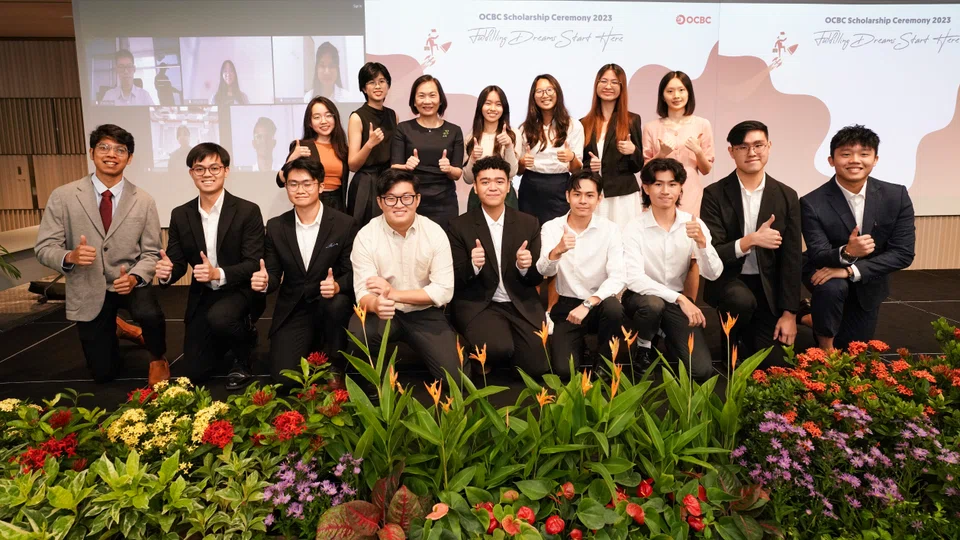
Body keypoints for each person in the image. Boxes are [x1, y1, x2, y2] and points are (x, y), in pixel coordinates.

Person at [35, 124, 167, 385]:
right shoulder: (63, 196)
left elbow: (152, 253)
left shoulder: (144, 200)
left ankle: (158, 358)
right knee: (104, 374)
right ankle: (118, 327)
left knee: (150, 314)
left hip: (128, 281)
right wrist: (69, 257)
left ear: (129, 158)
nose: (111, 154)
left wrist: (135, 277)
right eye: (104, 147)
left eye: (120, 150)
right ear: (91, 152)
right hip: (88, 284)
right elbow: (44, 247)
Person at [155, 143, 264, 389]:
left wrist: (218, 273)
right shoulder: (181, 214)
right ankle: (224, 338)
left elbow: (252, 264)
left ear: (226, 170)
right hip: (203, 295)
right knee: (195, 372)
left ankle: (244, 349)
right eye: (199, 168)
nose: (207, 174)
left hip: (240, 290)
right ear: (191, 174)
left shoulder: (247, 210)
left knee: (221, 317)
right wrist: (166, 273)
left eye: (214, 167)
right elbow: (177, 263)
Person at [800, 125, 915, 350]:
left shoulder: (896, 196)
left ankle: (806, 315)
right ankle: (825, 347)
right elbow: (818, 252)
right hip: (823, 271)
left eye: (864, 154)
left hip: (869, 280)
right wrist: (847, 252)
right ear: (831, 160)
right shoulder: (811, 202)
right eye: (845, 154)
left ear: (875, 159)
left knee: (853, 347)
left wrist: (849, 269)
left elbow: (903, 254)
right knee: (833, 288)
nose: (855, 160)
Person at [700, 121, 801, 367]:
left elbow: (792, 259)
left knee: (776, 365)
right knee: (740, 302)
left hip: (768, 286)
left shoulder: (787, 195)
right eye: (743, 147)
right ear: (731, 151)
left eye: (758, 145)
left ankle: (752, 333)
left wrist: (790, 314)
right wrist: (750, 241)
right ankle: (731, 341)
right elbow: (713, 252)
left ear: (769, 146)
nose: (752, 152)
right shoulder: (714, 193)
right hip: (730, 281)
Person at [252, 158, 357, 388]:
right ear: (286, 187)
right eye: (293, 184)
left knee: (337, 304)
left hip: (329, 304)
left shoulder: (344, 224)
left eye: (307, 183)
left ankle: (335, 364)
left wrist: (338, 286)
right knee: (283, 380)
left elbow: (354, 273)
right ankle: (310, 344)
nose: (300, 190)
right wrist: (264, 281)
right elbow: (272, 274)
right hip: (294, 307)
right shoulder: (277, 226)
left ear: (321, 186)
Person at [348, 169, 461, 380]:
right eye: (390, 198)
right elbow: (362, 293)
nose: (399, 204)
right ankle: (373, 391)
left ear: (417, 200)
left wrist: (393, 293)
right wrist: (375, 305)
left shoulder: (435, 233)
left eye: (406, 197)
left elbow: (444, 291)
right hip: (383, 312)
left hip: (424, 311)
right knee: (360, 335)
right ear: (380, 202)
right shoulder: (366, 236)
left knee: (455, 379)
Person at [622, 158, 723, 381]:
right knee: (653, 304)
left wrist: (702, 245)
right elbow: (634, 278)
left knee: (701, 371)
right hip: (641, 298)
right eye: (658, 184)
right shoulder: (634, 228)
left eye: (672, 184)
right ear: (646, 188)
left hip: (675, 302)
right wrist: (680, 299)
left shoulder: (693, 223)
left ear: (680, 189)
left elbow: (713, 273)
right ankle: (643, 347)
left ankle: (664, 332)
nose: (665, 191)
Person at [448, 156, 548, 376]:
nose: (492, 187)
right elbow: (453, 279)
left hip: (519, 302)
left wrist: (526, 267)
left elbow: (535, 279)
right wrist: (473, 266)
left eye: (499, 181)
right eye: (485, 182)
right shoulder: (458, 226)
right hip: (480, 303)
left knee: (538, 366)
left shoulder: (528, 222)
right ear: (475, 187)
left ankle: (505, 351)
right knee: (497, 348)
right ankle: (482, 351)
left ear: (509, 186)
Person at [536, 171, 624, 377]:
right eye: (577, 194)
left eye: (589, 195)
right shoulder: (551, 227)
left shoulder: (610, 230)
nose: (583, 201)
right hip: (566, 305)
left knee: (614, 308)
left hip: (599, 302)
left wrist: (589, 303)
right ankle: (579, 346)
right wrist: (556, 251)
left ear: (599, 198)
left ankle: (604, 362)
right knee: (563, 371)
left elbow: (618, 276)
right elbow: (543, 270)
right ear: (567, 196)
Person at [390, 75, 464, 230]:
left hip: (445, 203)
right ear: (414, 101)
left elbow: (457, 173)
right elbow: (394, 166)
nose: (427, 101)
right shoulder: (403, 129)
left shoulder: (454, 130)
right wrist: (406, 166)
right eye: (421, 96)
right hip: (411, 201)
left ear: (441, 99)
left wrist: (449, 169)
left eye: (432, 95)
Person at [581, 64, 644, 229]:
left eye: (615, 82)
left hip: (622, 196)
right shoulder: (584, 123)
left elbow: (638, 166)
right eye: (603, 81)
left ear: (622, 87)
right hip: (594, 193)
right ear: (596, 85)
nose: (608, 86)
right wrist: (590, 166)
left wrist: (633, 151)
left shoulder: (632, 120)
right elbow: (580, 162)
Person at [642, 71, 714, 216]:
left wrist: (698, 151)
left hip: (690, 191)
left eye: (681, 90)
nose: (676, 96)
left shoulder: (702, 124)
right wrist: (661, 154)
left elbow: (706, 170)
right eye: (670, 91)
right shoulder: (651, 127)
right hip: (660, 192)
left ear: (689, 93)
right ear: (662, 96)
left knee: (688, 233)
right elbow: (645, 171)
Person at [517, 74, 584, 227]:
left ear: (557, 93)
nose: (545, 95)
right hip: (530, 186)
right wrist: (522, 162)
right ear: (533, 96)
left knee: (558, 233)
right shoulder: (525, 128)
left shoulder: (573, 125)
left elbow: (577, 169)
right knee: (529, 232)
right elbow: (519, 171)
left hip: (559, 185)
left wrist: (571, 157)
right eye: (539, 91)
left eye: (549, 90)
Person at [277, 97, 350, 212]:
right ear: (310, 123)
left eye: (328, 115)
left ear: (335, 118)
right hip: (311, 203)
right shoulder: (301, 146)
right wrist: (291, 158)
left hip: (338, 204)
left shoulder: (343, 149)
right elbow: (280, 181)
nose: (324, 121)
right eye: (317, 117)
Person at [347, 62, 397, 227]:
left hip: (388, 182)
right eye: (371, 82)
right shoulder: (357, 117)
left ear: (388, 85)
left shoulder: (392, 115)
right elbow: (353, 165)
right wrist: (369, 144)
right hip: (366, 184)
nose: (378, 86)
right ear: (363, 88)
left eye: (382, 81)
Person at [462, 86, 520, 210]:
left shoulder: (513, 134)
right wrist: (472, 158)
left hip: (505, 196)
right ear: (480, 107)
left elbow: (513, 172)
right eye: (488, 103)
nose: (493, 108)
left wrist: (509, 146)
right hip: (477, 197)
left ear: (504, 108)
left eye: (498, 104)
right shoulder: (471, 137)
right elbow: (467, 179)